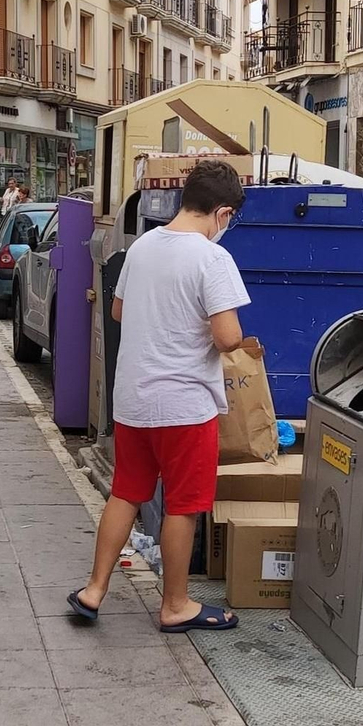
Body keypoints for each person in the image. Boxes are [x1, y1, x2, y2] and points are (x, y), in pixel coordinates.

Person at [69, 159, 249, 632]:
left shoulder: (144, 245)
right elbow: (229, 337)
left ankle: (93, 590)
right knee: (183, 505)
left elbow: (119, 309)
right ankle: (175, 605)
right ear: (223, 213)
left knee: (126, 493)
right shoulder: (213, 259)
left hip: (133, 398)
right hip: (184, 405)